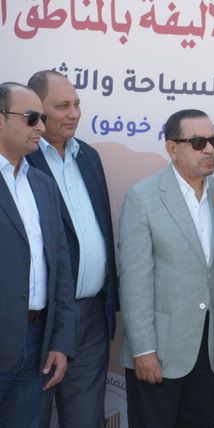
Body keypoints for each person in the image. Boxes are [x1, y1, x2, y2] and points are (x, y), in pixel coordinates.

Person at [118, 109, 214, 428]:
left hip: (211, 352)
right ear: (172, 148)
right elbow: (135, 281)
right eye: (198, 142)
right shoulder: (143, 197)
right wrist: (143, 349)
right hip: (159, 351)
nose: (209, 150)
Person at [24, 70, 117, 428]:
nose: (74, 113)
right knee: (27, 415)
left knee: (85, 419)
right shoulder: (22, 159)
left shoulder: (89, 156)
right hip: (41, 318)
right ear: (36, 110)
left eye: (77, 104)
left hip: (92, 316)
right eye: (62, 106)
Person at [0, 82, 76, 427]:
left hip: (37, 346)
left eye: (42, 119)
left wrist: (60, 341)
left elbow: (60, 267)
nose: (42, 128)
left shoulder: (42, 184)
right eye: (32, 118)